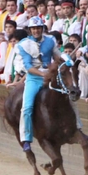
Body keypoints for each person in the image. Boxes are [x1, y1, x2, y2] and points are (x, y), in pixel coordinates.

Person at [17, 16, 61, 152]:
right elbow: (28, 67)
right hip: (34, 78)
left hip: (51, 76)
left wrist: (67, 60)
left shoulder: (50, 40)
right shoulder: (24, 44)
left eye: (38, 28)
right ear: (30, 30)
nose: (36, 31)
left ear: (42, 29)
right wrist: (43, 74)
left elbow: (57, 56)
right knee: (27, 107)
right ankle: (26, 138)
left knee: (69, 97)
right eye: (34, 28)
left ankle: (77, 126)